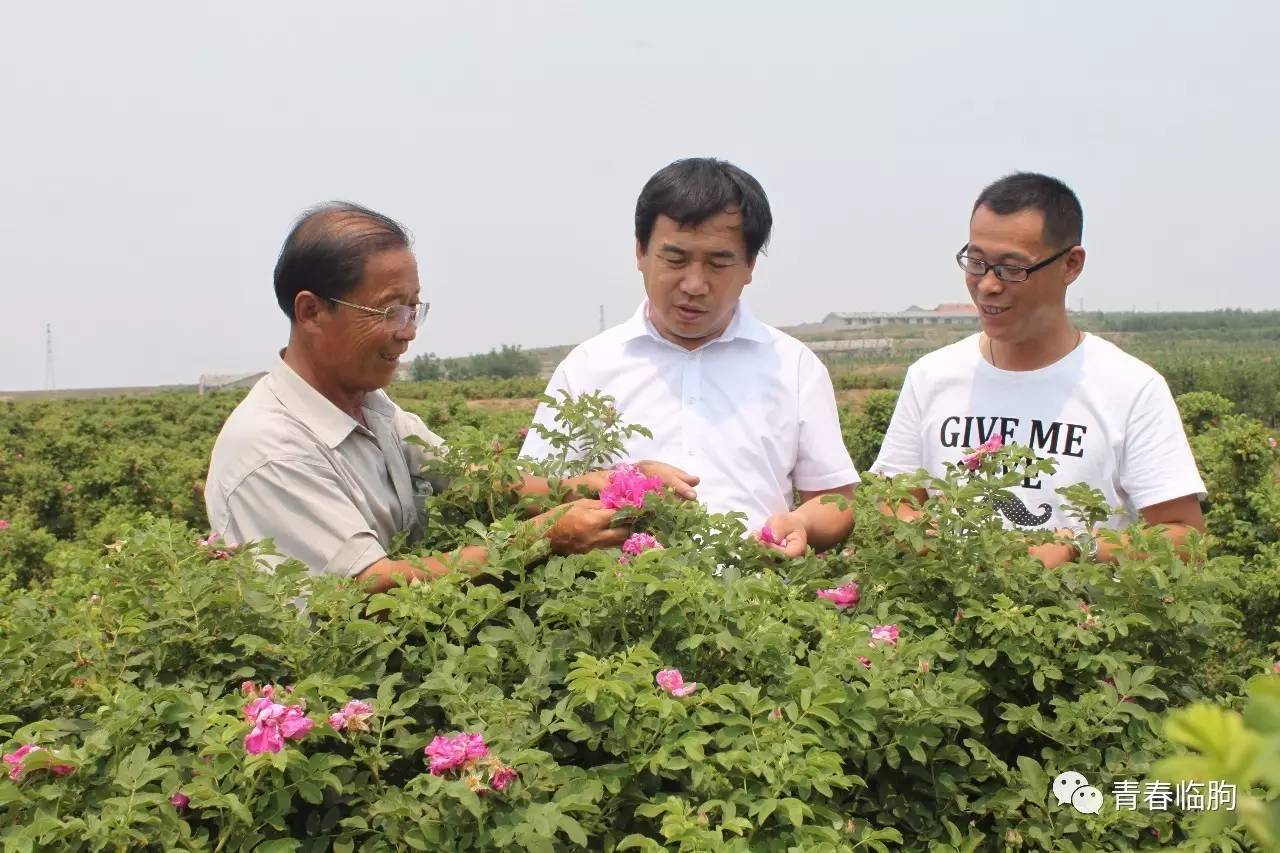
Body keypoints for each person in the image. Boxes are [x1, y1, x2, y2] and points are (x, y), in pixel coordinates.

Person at [205, 202, 692, 593]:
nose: (408, 332)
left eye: (414, 310)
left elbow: (475, 481)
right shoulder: (271, 449)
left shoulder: (370, 407)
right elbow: (370, 590)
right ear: (311, 312)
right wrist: (539, 539)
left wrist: (614, 483)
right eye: (390, 311)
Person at [520, 158, 858, 557]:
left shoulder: (793, 365)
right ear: (641, 252)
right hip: (616, 608)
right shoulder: (588, 368)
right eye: (675, 260)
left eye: (718, 263)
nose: (695, 285)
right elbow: (531, 490)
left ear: (749, 265)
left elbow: (836, 500)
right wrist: (610, 484)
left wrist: (801, 523)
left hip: (760, 605)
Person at [870, 172, 1205, 566]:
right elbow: (889, 502)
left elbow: (1186, 539)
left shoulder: (1130, 387)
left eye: (1012, 268)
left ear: (1071, 265)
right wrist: (935, 541)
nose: (987, 285)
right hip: (952, 623)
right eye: (976, 262)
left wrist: (1080, 549)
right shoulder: (932, 377)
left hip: (1081, 624)